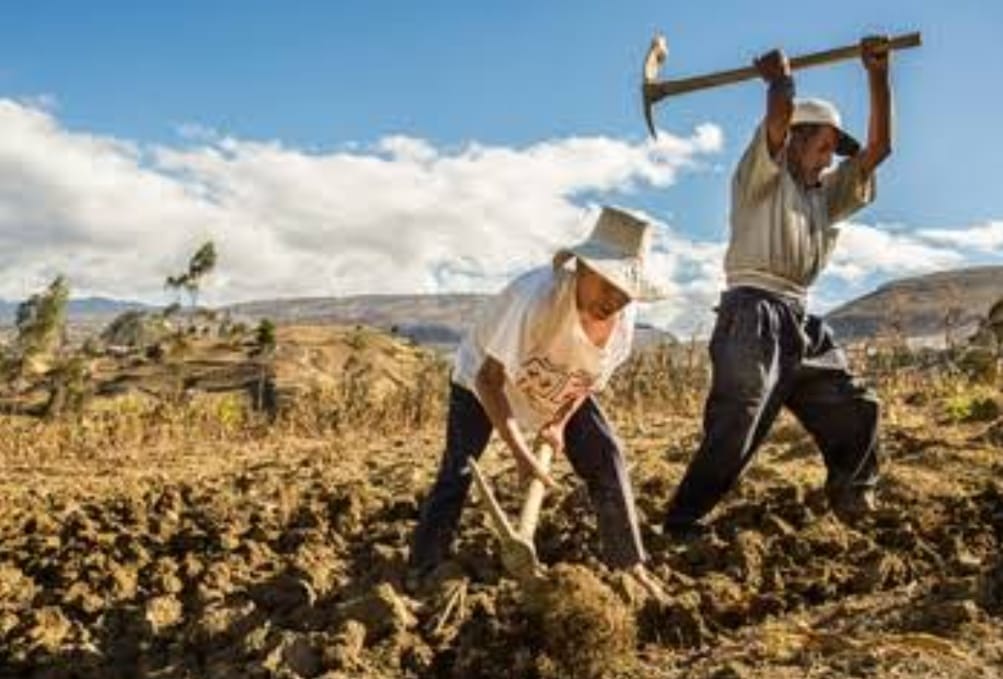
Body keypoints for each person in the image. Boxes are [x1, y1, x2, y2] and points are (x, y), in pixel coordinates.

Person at [663, 36, 894, 534]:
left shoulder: (824, 196)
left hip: (800, 320)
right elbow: (777, 119)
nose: (830, 161)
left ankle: (853, 496)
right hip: (753, 314)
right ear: (793, 141)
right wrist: (781, 83)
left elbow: (878, 150)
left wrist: (877, 75)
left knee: (858, 407)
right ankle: (682, 522)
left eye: (832, 152)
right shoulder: (761, 177)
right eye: (823, 147)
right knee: (739, 420)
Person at [408, 206, 665, 587]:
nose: (615, 299)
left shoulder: (622, 329)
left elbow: (586, 383)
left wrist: (558, 424)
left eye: (626, 292)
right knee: (459, 467)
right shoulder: (538, 300)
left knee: (606, 452)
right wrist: (520, 454)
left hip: (554, 387)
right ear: (583, 268)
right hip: (483, 380)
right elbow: (488, 380)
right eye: (608, 284)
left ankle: (628, 564)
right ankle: (424, 564)